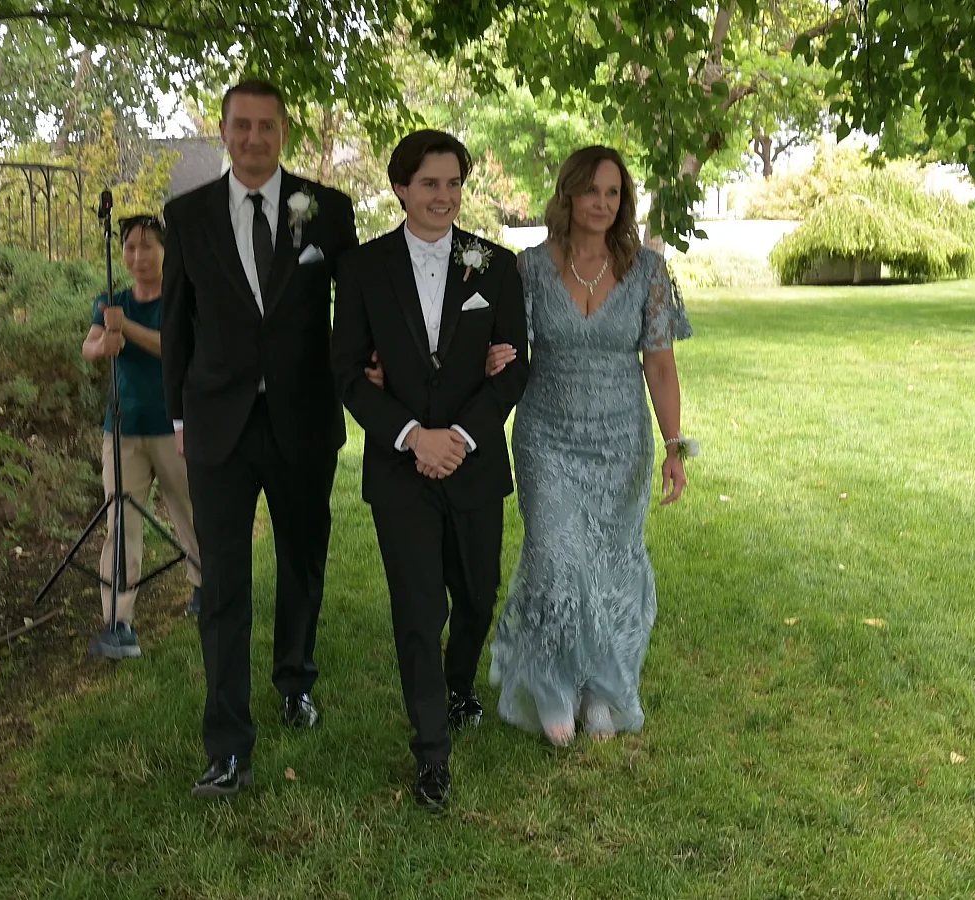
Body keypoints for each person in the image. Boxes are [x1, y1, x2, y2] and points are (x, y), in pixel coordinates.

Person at [161, 80, 359, 798]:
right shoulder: (187, 216)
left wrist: (367, 370)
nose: (253, 138)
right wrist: (180, 419)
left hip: (303, 419)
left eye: (266, 125)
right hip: (219, 426)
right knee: (223, 584)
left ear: (284, 132)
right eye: (241, 125)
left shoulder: (326, 209)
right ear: (224, 131)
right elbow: (177, 322)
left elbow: (356, 306)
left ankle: (295, 680)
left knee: (303, 560)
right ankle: (228, 747)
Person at [331, 129, 529, 811]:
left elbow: (515, 368)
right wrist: (413, 436)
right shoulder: (363, 268)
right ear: (400, 188)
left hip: (474, 465)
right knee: (418, 610)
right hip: (401, 467)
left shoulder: (494, 265)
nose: (443, 197)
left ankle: (459, 683)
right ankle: (431, 754)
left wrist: (462, 438)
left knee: (475, 597)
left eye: (453, 184)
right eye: (428, 184)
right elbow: (348, 373)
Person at [488, 145, 694, 747]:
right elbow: (509, 347)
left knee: (610, 565)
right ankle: (553, 687)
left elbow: (660, 364)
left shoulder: (648, 272)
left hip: (620, 441)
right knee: (555, 559)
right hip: (546, 437)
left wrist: (674, 445)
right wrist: (493, 356)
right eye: (591, 190)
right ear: (569, 194)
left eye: (613, 192)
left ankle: (603, 690)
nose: (601, 203)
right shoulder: (529, 268)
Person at [81, 214, 203, 659]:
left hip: (177, 427)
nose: (138, 256)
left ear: (167, 251)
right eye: (130, 247)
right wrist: (103, 344)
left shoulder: (182, 298)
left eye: (148, 245)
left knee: (191, 512)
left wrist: (126, 328)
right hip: (123, 431)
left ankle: (205, 586)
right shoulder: (110, 302)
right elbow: (89, 346)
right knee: (120, 523)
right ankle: (119, 623)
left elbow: (177, 348)